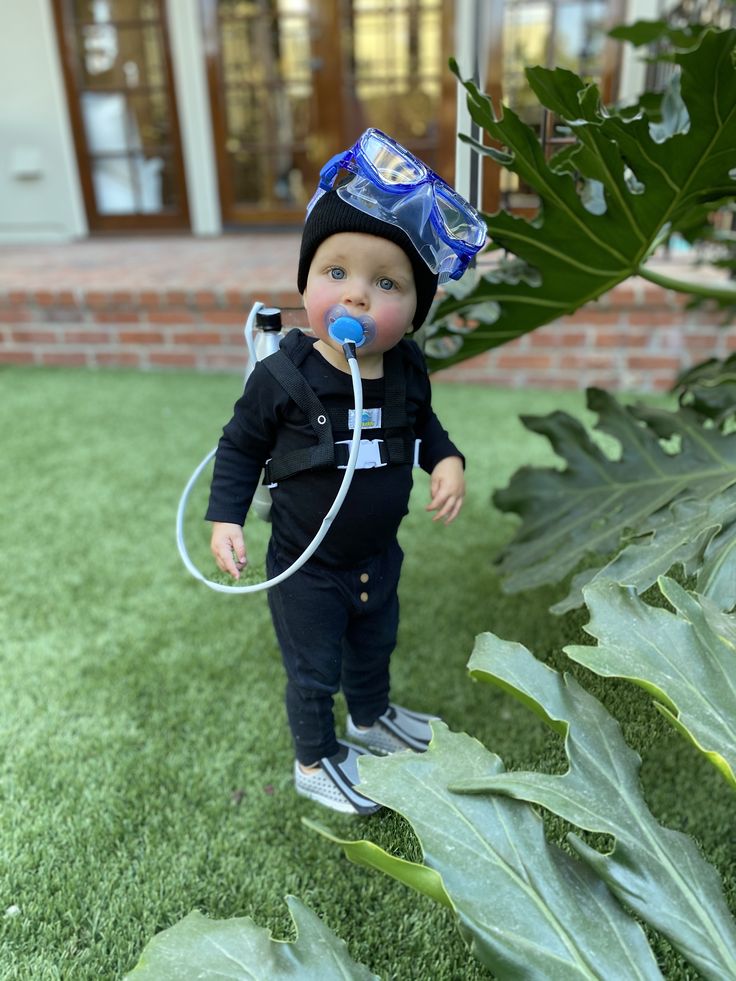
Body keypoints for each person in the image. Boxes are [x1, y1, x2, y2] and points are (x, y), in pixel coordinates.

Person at [205, 129, 486, 815]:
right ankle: (315, 757)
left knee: (373, 645)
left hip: (375, 555)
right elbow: (240, 446)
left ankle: (371, 717)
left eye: (385, 283)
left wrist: (445, 458)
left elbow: (422, 423)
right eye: (336, 274)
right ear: (306, 282)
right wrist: (225, 517)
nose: (356, 297)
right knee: (313, 668)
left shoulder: (407, 369)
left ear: (414, 309)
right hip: (307, 566)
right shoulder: (282, 377)